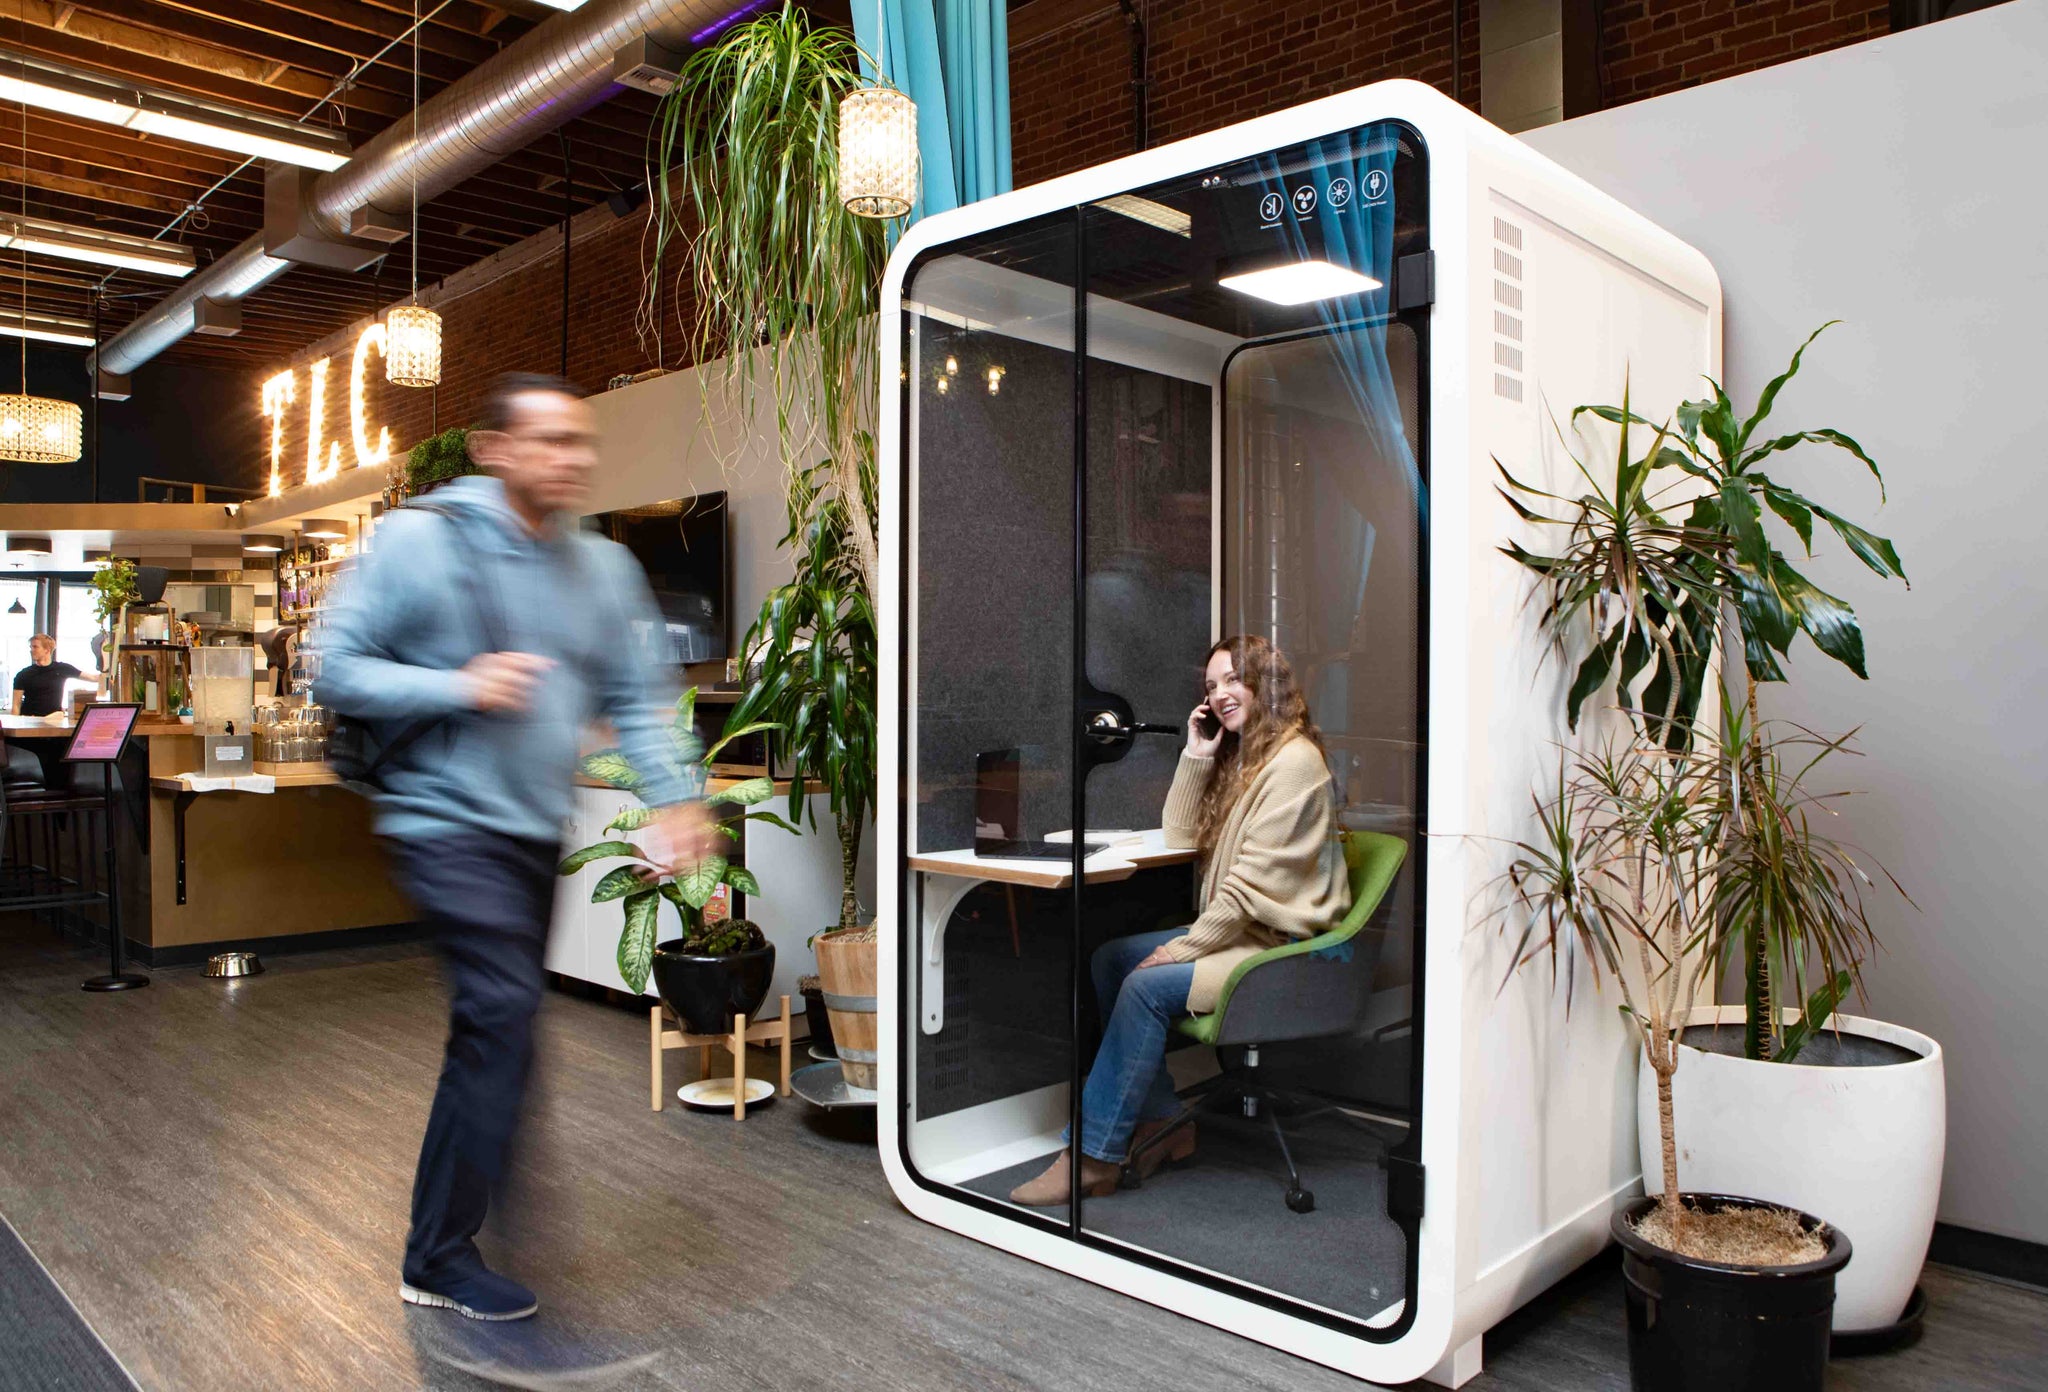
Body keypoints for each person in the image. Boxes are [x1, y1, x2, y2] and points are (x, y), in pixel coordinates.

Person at [318, 373, 717, 1321]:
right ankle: (441, 1256)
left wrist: (678, 800)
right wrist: (460, 685)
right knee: (500, 1009)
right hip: (440, 818)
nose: (569, 459)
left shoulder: (604, 568)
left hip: (533, 829)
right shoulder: (421, 541)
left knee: (503, 1027)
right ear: (495, 449)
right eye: (547, 441)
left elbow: (640, 697)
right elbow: (332, 667)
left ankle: (491, 1220)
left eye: (579, 442)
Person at [1010, 634, 1350, 1206]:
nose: (1219, 696)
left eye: (1232, 681)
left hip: (1279, 947)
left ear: (1264, 684)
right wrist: (1197, 753)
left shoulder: (1294, 762)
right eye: (1210, 687)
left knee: (1144, 984)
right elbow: (1180, 834)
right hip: (1244, 933)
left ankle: (1093, 1156)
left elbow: (1247, 891)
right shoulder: (1248, 757)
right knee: (1110, 958)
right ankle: (1168, 1123)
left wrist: (1184, 949)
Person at [11, 634, 82, 716]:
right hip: (30, 721)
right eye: (31, 647)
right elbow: (16, 705)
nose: (31, 650)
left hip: (54, 721)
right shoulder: (23, 674)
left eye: (35, 647)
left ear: (47, 650)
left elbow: (92, 678)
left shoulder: (62, 668)